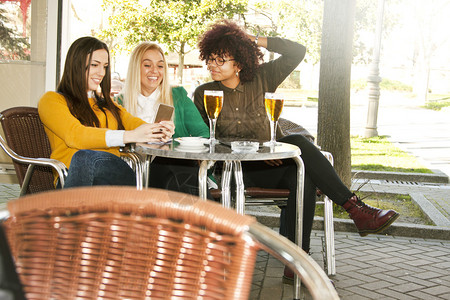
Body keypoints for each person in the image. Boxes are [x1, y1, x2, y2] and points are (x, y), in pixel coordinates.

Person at [193, 20, 399, 282]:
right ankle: (343, 219)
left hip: (275, 164)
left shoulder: (263, 78)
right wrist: (257, 150)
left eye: (220, 59)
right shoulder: (203, 93)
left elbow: (297, 51)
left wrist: (252, 39)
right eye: (209, 60)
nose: (212, 65)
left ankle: (300, 253)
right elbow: (207, 138)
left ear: (239, 63)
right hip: (238, 170)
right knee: (304, 169)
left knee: (302, 168)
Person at [38, 36, 174, 188]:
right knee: (84, 157)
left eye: (105, 66)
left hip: (114, 177)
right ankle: (72, 208)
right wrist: (130, 136)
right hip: (73, 179)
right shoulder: (52, 100)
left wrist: (157, 130)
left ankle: (68, 210)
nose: (101, 73)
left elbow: (133, 122)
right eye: (95, 65)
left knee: (86, 157)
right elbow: (75, 136)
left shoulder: (107, 105)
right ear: (76, 64)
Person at [118, 41, 213, 195]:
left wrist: (177, 143)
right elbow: (112, 142)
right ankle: (209, 216)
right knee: (173, 172)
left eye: (160, 66)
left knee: (173, 168)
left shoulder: (178, 95)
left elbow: (204, 135)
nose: (155, 71)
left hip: (177, 168)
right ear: (136, 68)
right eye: (147, 65)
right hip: (136, 171)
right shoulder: (119, 103)